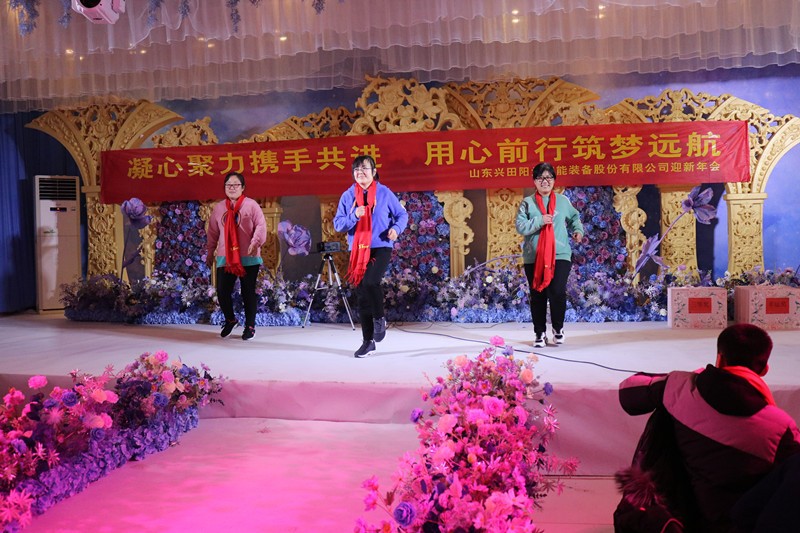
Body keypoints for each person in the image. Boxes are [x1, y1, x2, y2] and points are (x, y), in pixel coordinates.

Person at [616, 324, 800, 532]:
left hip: (680, 512)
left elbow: (628, 393)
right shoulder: (781, 427)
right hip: (737, 522)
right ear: (765, 369)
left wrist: (686, 377)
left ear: (720, 359)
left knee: (664, 405)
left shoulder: (680, 387)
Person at [333, 155, 408, 358]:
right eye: (356, 169)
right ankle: (368, 342)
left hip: (381, 246)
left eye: (364, 168)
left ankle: (379, 318)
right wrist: (354, 215)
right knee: (362, 295)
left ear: (374, 172)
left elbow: (402, 215)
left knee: (370, 282)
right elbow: (338, 224)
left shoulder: (384, 193)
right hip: (358, 250)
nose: (360, 172)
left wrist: (396, 229)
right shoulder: (348, 196)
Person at [515, 162, 583, 348]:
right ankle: (539, 333)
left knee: (557, 292)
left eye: (549, 177)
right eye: (540, 178)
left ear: (554, 180)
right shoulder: (527, 203)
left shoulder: (563, 201)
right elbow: (520, 226)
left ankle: (558, 328)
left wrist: (578, 231)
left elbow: (574, 218)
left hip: (560, 254)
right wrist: (539, 220)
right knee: (537, 294)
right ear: (534, 181)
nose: (545, 181)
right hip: (534, 256)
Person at [206, 171, 267, 341]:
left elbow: (261, 226)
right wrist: (210, 251)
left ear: (243, 187)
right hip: (225, 257)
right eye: (228, 185)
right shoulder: (219, 208)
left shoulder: (251, 205)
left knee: (248, 292)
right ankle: (231, 320)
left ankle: (250, 326)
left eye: (235, 185)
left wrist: (255, 242)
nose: (232, 188)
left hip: (248, 256)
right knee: (222, 291)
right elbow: (213, 232)